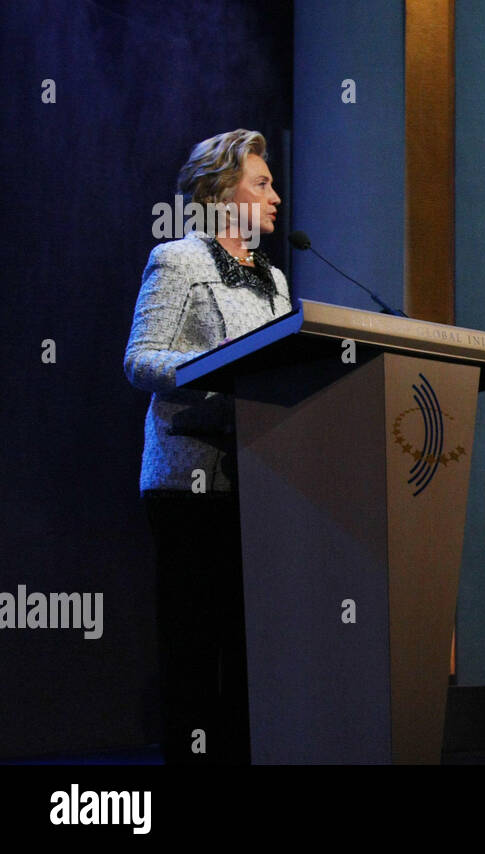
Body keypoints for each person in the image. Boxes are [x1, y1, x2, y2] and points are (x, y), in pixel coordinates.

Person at [124, 129, 290, 764]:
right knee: (194, 647)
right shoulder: (178, 261)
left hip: (262, 477)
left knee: (248, 645)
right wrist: (218, 367)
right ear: (223, 194)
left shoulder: (273, 277)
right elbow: (141, 361)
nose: (276, 195)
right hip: (188, 480)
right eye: (262, 182)